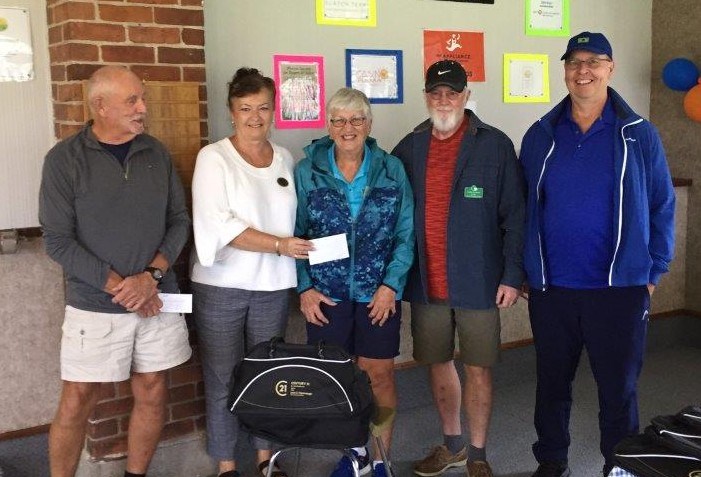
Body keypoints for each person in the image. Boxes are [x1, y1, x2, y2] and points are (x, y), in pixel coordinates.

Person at [519, 32, 676, 477]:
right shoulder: (540, 134)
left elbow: (663, 204)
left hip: (620, 289)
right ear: (564, 69)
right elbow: (524, 206)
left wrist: (653, 271)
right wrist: (528, 268)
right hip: (553, 289)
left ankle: (619, 464)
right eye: (573, 62)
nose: (582, 70)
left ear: (610, 68)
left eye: (593, 61)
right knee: (551, 385)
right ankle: (551, 460)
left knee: (618, 389)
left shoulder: (638, 134)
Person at [39, 65, 192, 477]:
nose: (143, 108)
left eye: (142, 99)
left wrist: (151, 277)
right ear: (100, 106)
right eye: (132, 100)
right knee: (78, 398)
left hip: (157, 297)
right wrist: (122, 287)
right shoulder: (64, 160)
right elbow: (57, 240)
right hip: (94, 304)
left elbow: (179, 220)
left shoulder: (156, 153)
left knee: (153, 389)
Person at [392, 60, 525, 477]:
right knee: (436, 361)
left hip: (480, 281)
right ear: (427, 96)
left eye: (452, 92)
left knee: (479, 366)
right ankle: (452, 445)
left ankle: (479, 455)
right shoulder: (409, 146)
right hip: (427, 281)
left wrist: (512, 275)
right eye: (436, 92)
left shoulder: (495, 145)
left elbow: (516, 216)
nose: (444, 100)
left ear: (467, 96)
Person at [190, 67, 313, 477]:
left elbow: (295, 217)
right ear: (232, 111)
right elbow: (219, 224)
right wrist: (279, 245)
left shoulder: (284, 157)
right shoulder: (213, 158)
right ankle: (227, 466)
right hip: (221, 287)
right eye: (246, 108)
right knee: (223, 378)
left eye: (263, 107)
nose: (255, 117)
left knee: (267, 377)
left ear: (274, 109)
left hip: (272, 287)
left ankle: (266, 460)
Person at [294, 87, 415, 477]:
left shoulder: (391, 168)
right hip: (325, 297)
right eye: (339, 120)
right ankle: (354, 453)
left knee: (378, 375)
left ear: (369, 124)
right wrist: (304, 288)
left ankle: (380, 458)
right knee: (338, 380)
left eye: (356, 119)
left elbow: (405, 233)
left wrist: (391, 285)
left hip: (377, 293)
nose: (348, 128)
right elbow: (295, 233)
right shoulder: (307, 170)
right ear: (328, 125)